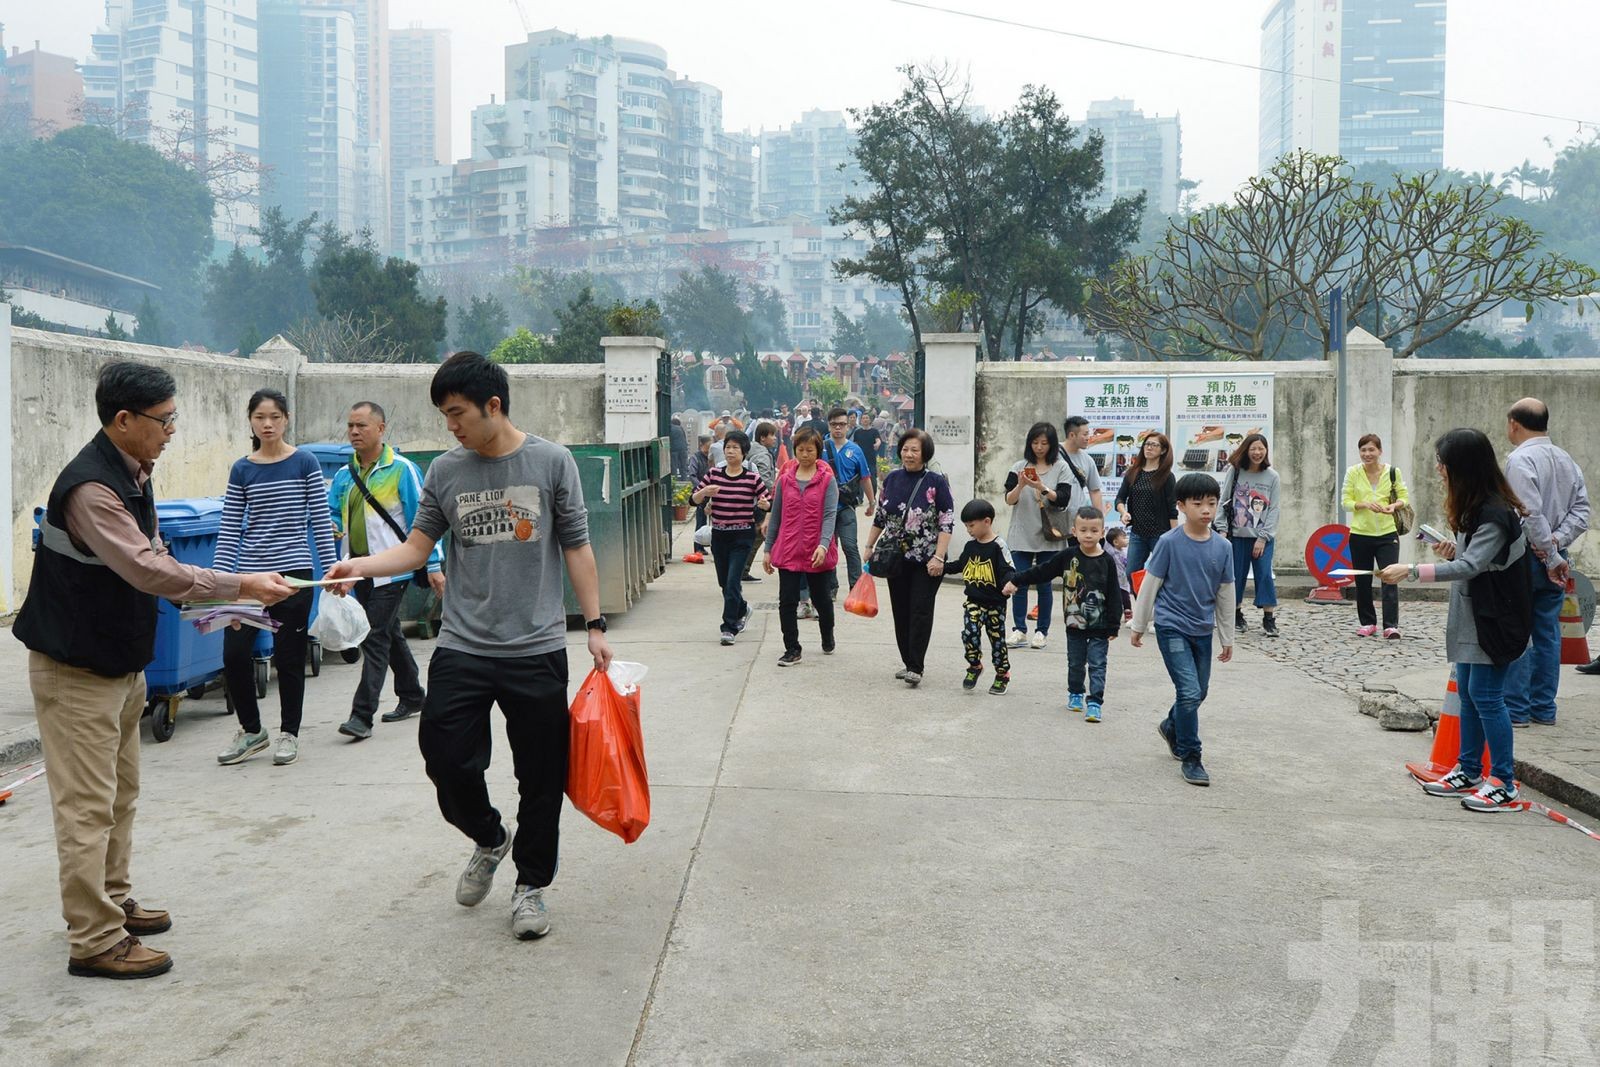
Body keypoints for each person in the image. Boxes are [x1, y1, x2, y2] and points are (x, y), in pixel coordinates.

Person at [15, 362, 293, 979]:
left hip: (119, 664)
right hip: (76, 670)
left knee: (120, 797)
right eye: (165, 421)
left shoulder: (134, 476)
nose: (172, 431)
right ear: (123, 421)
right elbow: (147, 569)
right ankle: (93, 940)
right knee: (86, 807)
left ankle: (111, 902)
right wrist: (241, 584)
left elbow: (161, 558)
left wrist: (229, 600)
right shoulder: (91, 489)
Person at [325, 351, 614, 940]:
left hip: (535, 646)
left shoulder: (553, 462)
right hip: (463, 643)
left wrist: (595, 625)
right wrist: (358, 564)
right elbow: (413, 549)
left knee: (540, 776)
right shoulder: (445, 472)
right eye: (444, 415)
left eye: (457, 413)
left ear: (494, 405)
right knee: (445, 757)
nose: (450, 426)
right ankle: (489, 837)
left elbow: (578, 547)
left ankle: (531, 885)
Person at [1381, 428, 1532, 812]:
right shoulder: (1476, 508)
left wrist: (1412, 570)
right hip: (1473, 617)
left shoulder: (1496, 513)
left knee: (1486, 697)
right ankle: (1468, 770)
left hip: (1493, 621)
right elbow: (1470, 556)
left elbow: (1471, 565)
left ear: (1462, 468)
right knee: (1467, 694)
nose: (1438, 470)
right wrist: (1451, 546)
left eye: (1443, 464)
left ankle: (1502, 780)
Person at [214, 389, 338, 769]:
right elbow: (229, 528)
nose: (267, 424)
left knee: (288, 658)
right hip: (250, 578)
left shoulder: (305, 462)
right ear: (250, 421)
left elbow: (320, 518)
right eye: (259, 417)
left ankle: (289, 734)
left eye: (274, 417)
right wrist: (220, 585)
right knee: (234, 654)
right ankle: (252, 731)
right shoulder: (242, 469)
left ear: (286, 419)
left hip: (294, 576)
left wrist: (332, 571)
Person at [327, 401, 447, 740]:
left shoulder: (402, 470)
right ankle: (412, 695)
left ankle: (361, 716)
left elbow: (425, 520)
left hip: (394, 569)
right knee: (389, 631)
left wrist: (434, 564)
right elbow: (334, 519)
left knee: (374, 635)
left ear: (381, 429)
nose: (354, 432)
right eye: (350, 426)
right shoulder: (343, 476)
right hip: (357, 570)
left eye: (362, 426)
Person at [1129, 473, 1236, 787]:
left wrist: (1227, 637)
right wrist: (1139, 623)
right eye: (1198, 503)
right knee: (1189, 692)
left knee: (1198, 692)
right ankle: (1191, 756)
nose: (1206, 509)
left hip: (1202, 629)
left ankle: (1171, 725)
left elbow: (1226, 593)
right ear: (1181, 506)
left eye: (1212, 503)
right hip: (1170, 625)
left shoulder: (1223, 547)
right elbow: (1151, 584)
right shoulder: (1168, 543)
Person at [1501, 398, 1590, 720]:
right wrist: (1558, 542)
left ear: (1514, 423)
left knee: (1518, 630)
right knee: (1547, 631)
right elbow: (1582, 512)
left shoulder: (1519, 460)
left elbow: (1529, 513)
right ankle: (1543, 707)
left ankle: (1517, 708)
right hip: (1556, 553)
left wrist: (1548, 551)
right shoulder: (1566, 460)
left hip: (1526, 555)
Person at [1005, 507, 1129, 722]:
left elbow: (1114, 594)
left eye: (1093, 530)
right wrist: (1016, 579)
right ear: (1074, 531)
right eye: (1083, 530)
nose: (1088, 535)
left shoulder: (1107, 561)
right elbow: (1042, 571)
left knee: (1098, 664)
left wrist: (1113, 625)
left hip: (1100, 626)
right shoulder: (1067, 556)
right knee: (1075, 662)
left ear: (1102, 532)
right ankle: (1075, 693)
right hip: (1074, 624)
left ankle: (1094, 703)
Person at [864, 428, 955, 688]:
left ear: (925, 453)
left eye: (915, 450)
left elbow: (946, 521)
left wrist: (939, 557)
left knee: (920, 610)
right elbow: (881, 516)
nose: (909, 454)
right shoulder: (892, 479)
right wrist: (869, 545)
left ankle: (916, 665)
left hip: (927, 559)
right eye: (905, 449)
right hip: (896, 557)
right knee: (901, 610)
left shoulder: (936, 482)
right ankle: (907, 661)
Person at [762, 426, 838, 666]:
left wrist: (824, 545)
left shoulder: (827, 480)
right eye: (801, 450)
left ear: (818, 451)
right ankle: (792, 648)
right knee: (787, 601)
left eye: (810, 450)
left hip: (816, 551)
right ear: (794, 450)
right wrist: (767, 549)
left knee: (822, 599)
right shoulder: (785, 481)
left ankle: (827, 634)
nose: (805, 454)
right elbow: (776, 516)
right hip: (789, 549)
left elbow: (829, 516)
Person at [692, 429, 768, 645]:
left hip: (742, 536)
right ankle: (743, 608)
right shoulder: (714, 474)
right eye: (728, 447)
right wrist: (705, 493)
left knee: (733, 581)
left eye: (735, 447)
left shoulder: (752, 477)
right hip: (720, 536)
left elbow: (768, 499)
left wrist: (765, 506)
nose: (731, 451)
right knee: (725, 584)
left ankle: (729, 626)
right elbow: (693, 499)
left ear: (744, 452)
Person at [1003, 422, 1074, 651]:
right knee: (1018, 582)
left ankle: (1041, 632)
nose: (1039, 447)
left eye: (1044, 443)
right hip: (1021, 532)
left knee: (1044, 584)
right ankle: (1019, 630)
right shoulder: (1018, 466)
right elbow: (1009, 500)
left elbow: (1062, 499)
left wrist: (1041, 486)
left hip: (1049, 534)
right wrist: (1021, 485)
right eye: (1035, 442)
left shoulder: (1061, 467)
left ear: (1052, 444)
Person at [1342, 433, 1410, 638]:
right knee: (1362, 581)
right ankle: (1367, 622)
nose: (1367, 453)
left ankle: (1390, 625)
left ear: (1380, 451)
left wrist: (1394, 505)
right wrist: (1362, 504)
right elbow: (1345, 501)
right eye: (1363, 450)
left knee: (1390, 578)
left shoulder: (1392, 472)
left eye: (1371, 449)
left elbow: (1404, 497)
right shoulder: (1353, 472)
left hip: (1387, 534)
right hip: (1360, 534)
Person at [1215, 433, 1282, 637]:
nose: (1257, 452)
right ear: (1246, 450)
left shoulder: (1272, 476)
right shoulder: (1235, 472)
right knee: (1236, 577)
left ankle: (1268, 618)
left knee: (1264, 576)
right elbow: (1224, 500)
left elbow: (1274, 509)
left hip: (1262, 537)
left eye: (1261, 448)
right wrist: (1221, 529)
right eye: (1253, 448)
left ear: (1266, 451)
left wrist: (1263, 537)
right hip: (1236, 536)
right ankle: (1236, 614)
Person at [953, 499, 1015, 695]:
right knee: (969, 633)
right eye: (966, 526)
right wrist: (939, 567)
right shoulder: (970, 546)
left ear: (986, 522)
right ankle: (974, 666)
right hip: (973, 601)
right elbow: (960, 565)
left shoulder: (999, 546)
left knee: (997, 641)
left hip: (995, 604)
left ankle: (1002, 674)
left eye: (971, 525)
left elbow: (1008, 569)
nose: (969, 530)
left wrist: (1009, 584)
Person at [818, 406, 874, 599]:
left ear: (848, 425)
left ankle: (856, 589)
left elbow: (865, 477)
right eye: (834, 425)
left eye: (842, 424)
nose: (838, 428)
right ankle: (831, 588)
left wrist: (872, 502)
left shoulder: (855, 449)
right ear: (829, 425)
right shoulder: (821, 448)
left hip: (846, 507)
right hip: (824, 509)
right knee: (828, 548)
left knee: (850, 547)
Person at [1114, 431, 1178, 574]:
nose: (1149, 448)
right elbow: (1120, 498)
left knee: (1161, 574)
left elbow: (1172, 509)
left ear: (1163, 450)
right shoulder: (1133, 472)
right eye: (1147, 444)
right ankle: (1142, 597)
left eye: (1154, 445)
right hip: (1138, 533)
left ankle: (1156, 597)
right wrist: (1123, 512)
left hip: (1160, 534)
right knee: (1132, 573)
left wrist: (1174, 537)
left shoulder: (1167, 476)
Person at [1059, 415, 1105, 514]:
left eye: (1088, 434)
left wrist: (1099, 519)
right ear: (1072, 435)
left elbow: (1095, 491)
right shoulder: (1053, 454)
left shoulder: (1088, 460)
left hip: (1078, 518)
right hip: (1055, 516)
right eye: (1085, 434)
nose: (1088, 438)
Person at [688, 434, 713, 532]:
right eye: (708, 445)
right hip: (700, 493)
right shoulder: (695, 457)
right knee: (701, 523)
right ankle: (698, 546)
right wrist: (701, 489)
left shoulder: (711, 456)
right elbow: (692, 475)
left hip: (711, 492)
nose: (710, 448)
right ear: (701, 445)